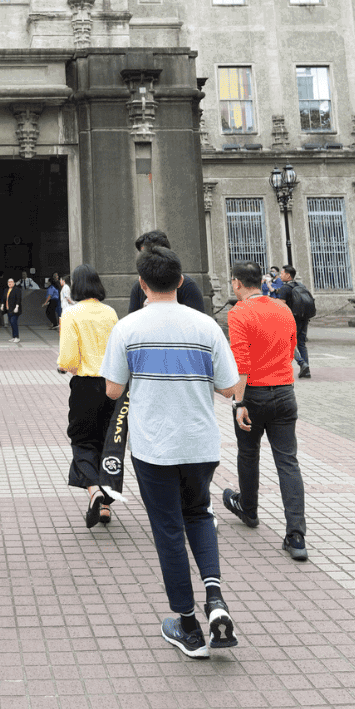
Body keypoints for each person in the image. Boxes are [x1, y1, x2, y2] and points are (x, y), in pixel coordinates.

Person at [101, 245, 241, 658]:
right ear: (180, 281)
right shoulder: (206, 327)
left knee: (167, 530)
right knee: (199, 513)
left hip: (154, 446)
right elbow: (229, 386)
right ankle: (214, 597)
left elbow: (112, 389)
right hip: (200, 442)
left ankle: (188, 626)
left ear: (142, 284)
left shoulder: (128, 328)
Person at [224, 262, 308, 560]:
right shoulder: (283, 310)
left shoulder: (238, 313)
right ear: (260, 281)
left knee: (248, 453)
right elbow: (291, 346)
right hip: (285, 392)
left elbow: (241, 363)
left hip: (254, 394)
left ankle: (249, 511)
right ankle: (296, 535)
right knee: (288, 462)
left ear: (236, 284)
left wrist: (238, 402)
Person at [58, 264, 119, 527]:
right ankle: (105, 505)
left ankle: (94, 492)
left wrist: (64, 366)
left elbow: (69, 359)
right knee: (107, 443)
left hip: (84, 386)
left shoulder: (72, 313)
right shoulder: (111, 313)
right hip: (112, 386)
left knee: (82, 441)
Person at [127, 230, 206, 314]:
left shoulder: (188, 286)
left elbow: (197, 320)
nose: (147, 258)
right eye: (143, 254)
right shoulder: (137, 287)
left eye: (154, 253)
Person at [276, 266, 311, 378]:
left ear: (288, 275)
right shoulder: (301, 286)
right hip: (304, 318)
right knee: (301, 343)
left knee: (288, 342)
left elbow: (281, 305)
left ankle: (301, 363)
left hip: (291, 319)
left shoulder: (285, 288)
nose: (280, 275)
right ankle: (306, 369)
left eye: (282, 273)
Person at [4, 277, 22, 342]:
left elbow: (18, 299)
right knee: (11, 323)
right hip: (9, 309)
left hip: (15, 309)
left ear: (14, 283)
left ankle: (17, 337)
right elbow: (4, 298)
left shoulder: (17, 289)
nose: (10, 283)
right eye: (8, 282)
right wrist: (3, 305)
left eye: (11, 282)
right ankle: (14, 337)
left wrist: (17, 307)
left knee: (13, 321)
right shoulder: (6, 290)